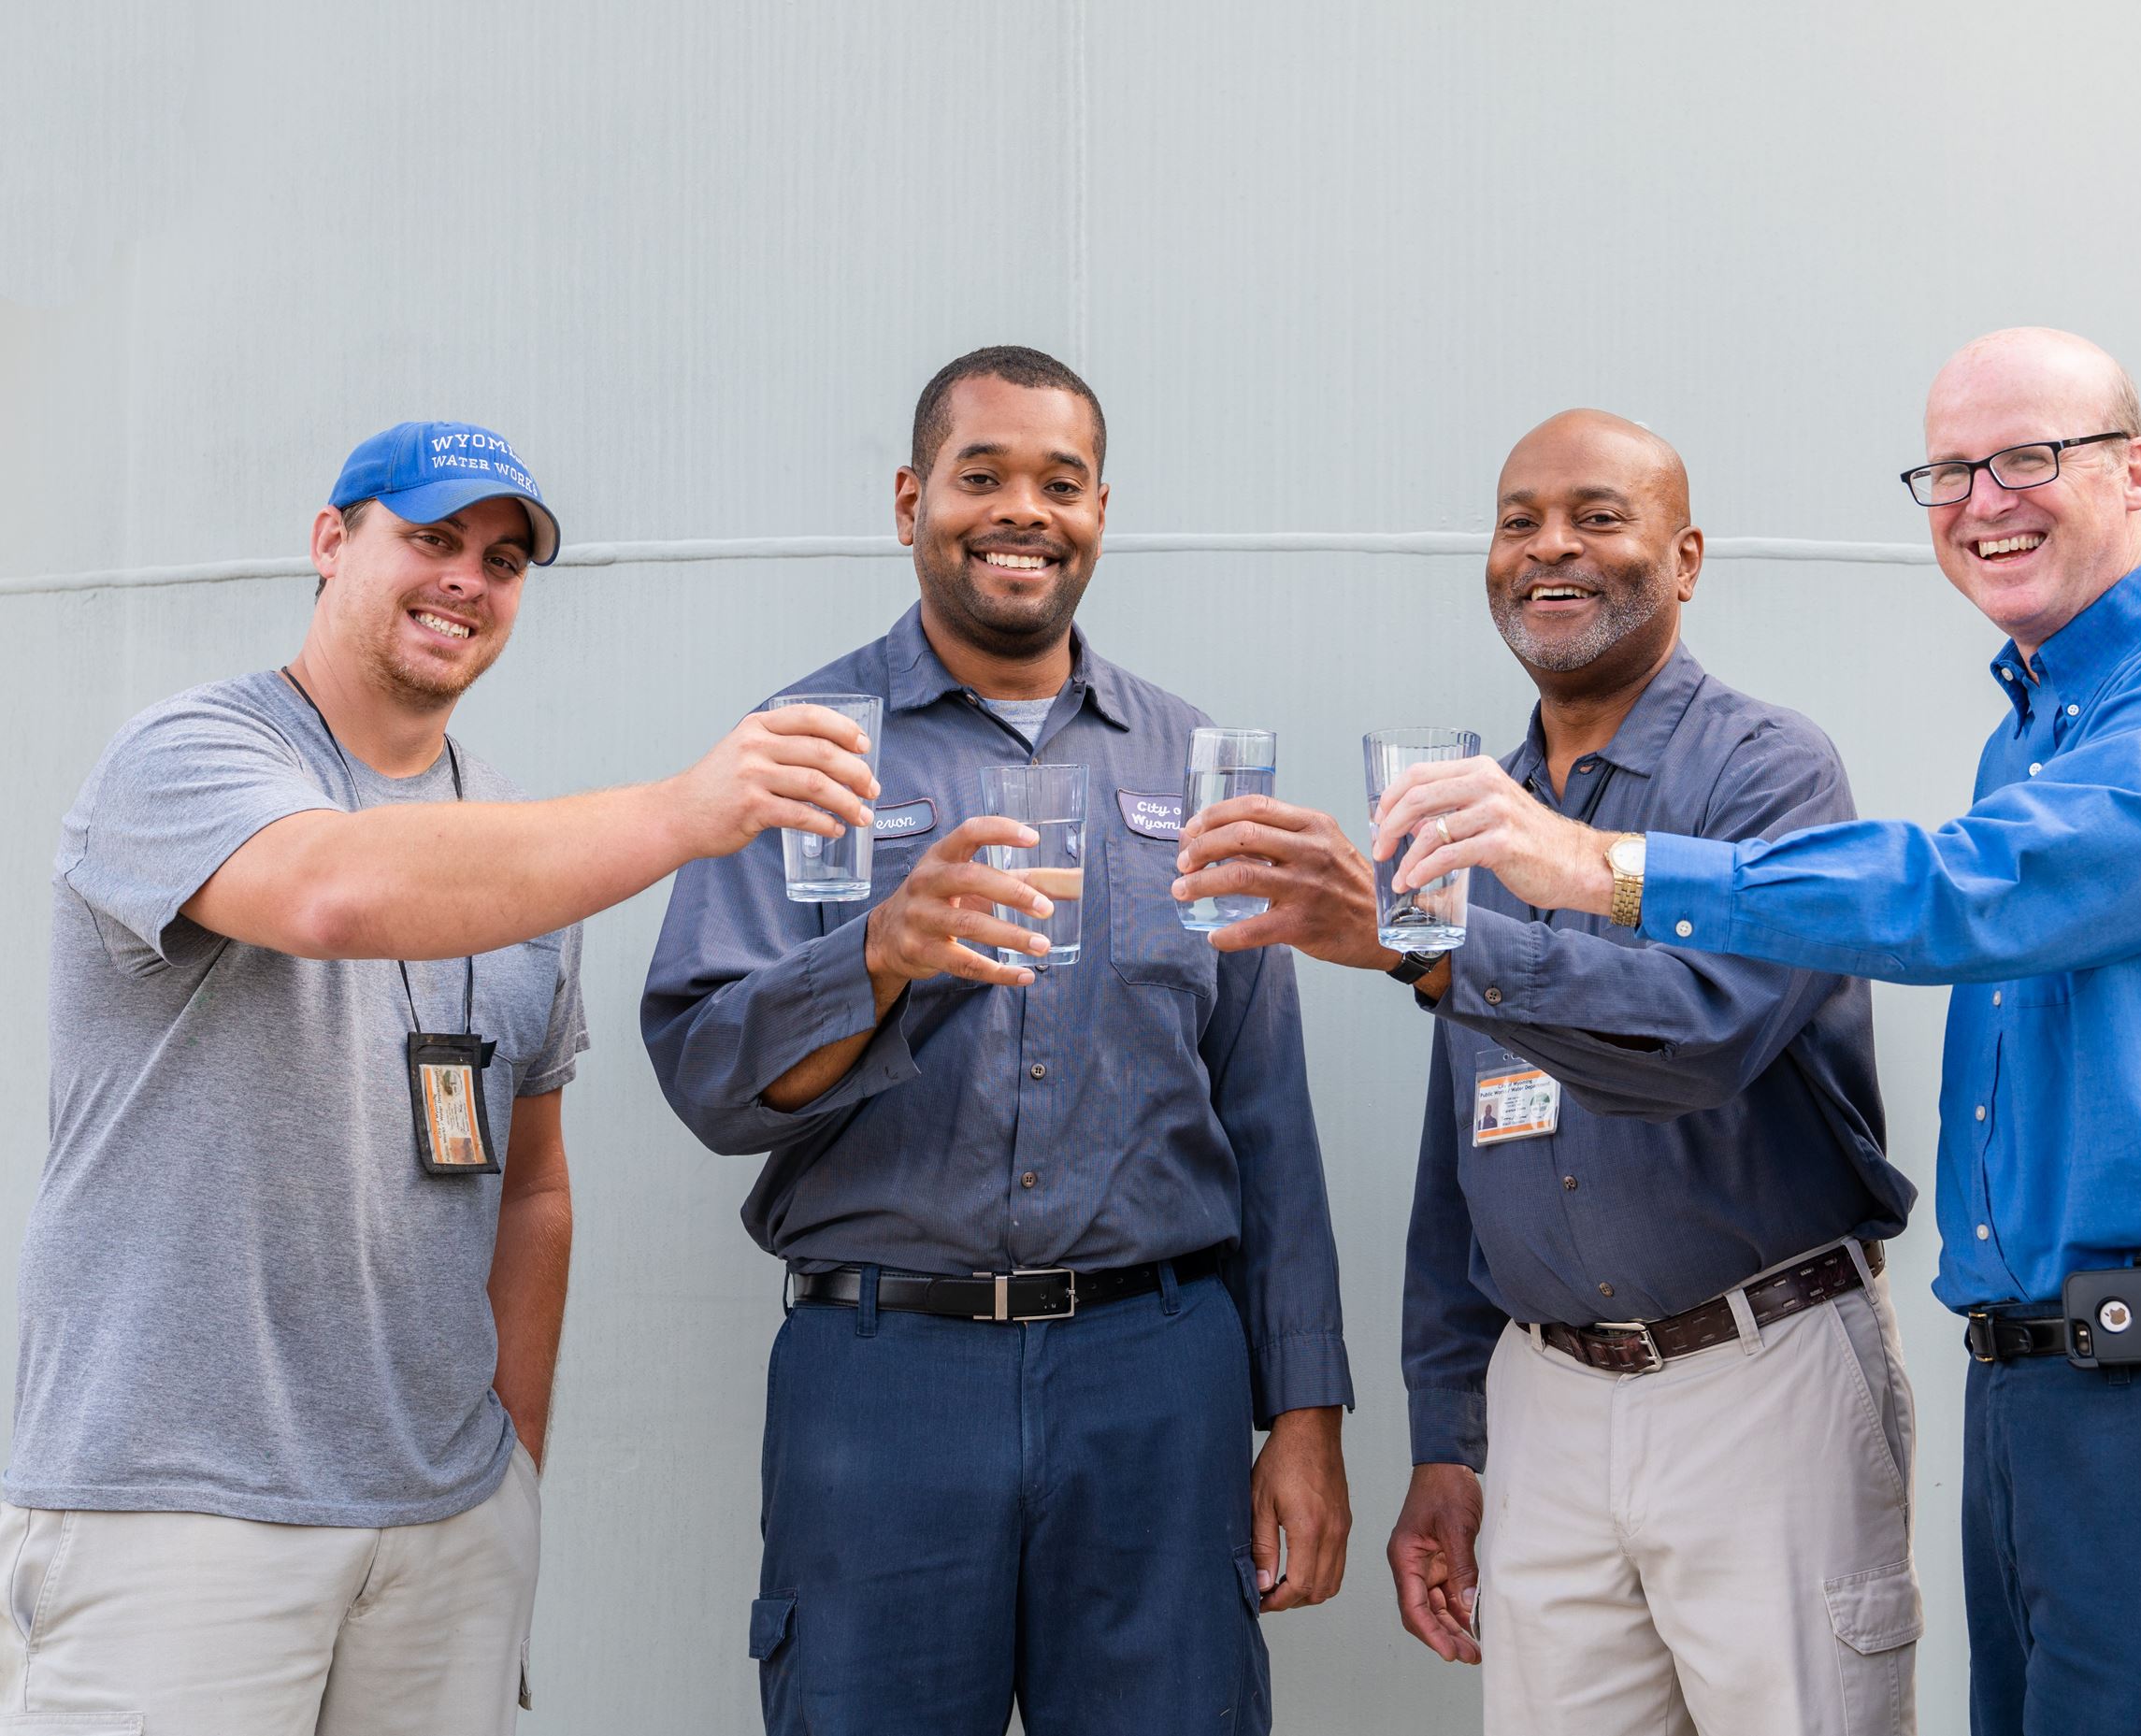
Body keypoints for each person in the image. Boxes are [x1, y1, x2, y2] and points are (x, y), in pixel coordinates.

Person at [1392, 330, 2141, 1734]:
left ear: (2136, 469)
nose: (1986, 499)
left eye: (2030, 457)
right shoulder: (2032, 731)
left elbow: (1971, 891)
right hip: (2041, 1388)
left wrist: (1606, 868)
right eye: (1952, 472)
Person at [4, 420, 879, 1734]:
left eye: (506, 557)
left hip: (443, 1529)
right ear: (327, 543)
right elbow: (334, 890)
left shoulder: (524, 854)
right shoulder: (188, 755)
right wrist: (682, 813)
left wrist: (507, 1478)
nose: (470, 577)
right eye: (429, 538)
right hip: (180, 1509)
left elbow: (532, 1192)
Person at [1172, 409, 1919, 1733]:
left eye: (1597, 514)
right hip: (1550, 1405)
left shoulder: (1768, 771)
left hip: (1760, 1374)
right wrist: (1450, 1438)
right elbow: (1464, 1161)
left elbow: (1707, 1033)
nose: (1549, 545)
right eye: (1519, 519)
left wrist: (1429, 949)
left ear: (1685, 559)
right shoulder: (1469, 798)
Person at [641, 346, 1353, 1736]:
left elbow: (1264, 1107)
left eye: (1060, 482)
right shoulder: (801, 749)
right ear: (912, 497)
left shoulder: (1189, 759)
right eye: (982, 476)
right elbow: (712, 1074)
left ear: (1101, 511)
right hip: (887, 1378)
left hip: (1155, 1374)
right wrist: (879, 957)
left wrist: (1307, 1413)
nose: (1021, 509)